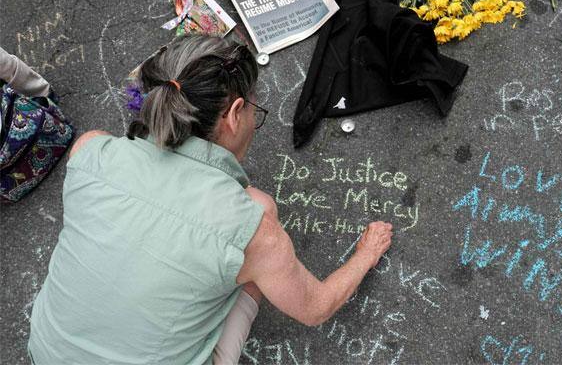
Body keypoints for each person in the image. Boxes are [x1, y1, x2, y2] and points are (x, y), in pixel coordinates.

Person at [27, 36, 394, 364]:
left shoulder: (90, 149)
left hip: (46, 352)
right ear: (234, 114)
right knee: (256, 233)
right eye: (254, 109)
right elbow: (316, 308)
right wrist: (366, 253)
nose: (254, 118)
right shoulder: (252, 227)